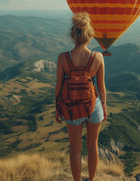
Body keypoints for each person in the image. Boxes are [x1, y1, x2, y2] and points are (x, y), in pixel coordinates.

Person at [55, 12, 108, 181]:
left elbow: (58, 85)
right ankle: (91, 180)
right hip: (94, 106)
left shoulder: (63, 58)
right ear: (90, 36)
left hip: (71, 107)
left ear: (73, 35)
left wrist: (58, 108)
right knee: (92, 147)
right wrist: (104, 107)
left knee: (75, 149)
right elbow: (101, 86)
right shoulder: (98, 57)